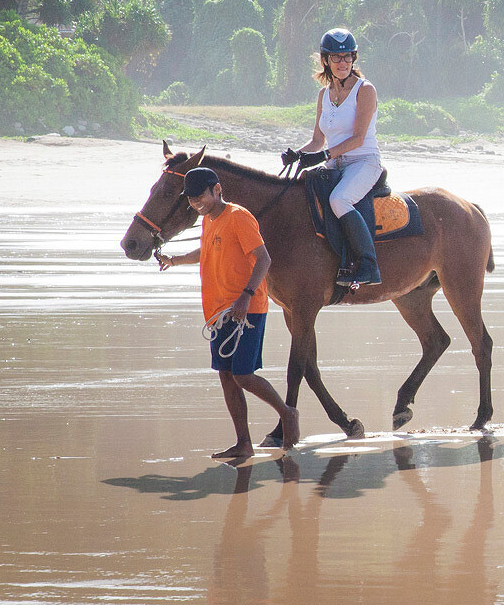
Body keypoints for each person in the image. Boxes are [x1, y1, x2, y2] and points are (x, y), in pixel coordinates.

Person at [159, 166, 299, 458]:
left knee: (243, 375)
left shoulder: (238, 217)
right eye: (192, 200)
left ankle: (287, 413)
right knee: (226, 375)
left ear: (217, 190)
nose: (197, 204)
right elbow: (206, 252)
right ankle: (243, 443)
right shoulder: (209, 220)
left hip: (246, 309)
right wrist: (175, 260)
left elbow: (264, 259)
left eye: (201, 197)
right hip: (218, 309)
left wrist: (245, 298)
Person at [282, 28, 382, 289]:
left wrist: (322, 155)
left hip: (363, 162)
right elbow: (317, 140)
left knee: (339, 199)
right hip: (333, 164)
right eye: (336, 58)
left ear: (353, 59)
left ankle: (368, 264)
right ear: (325, 60)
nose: (342, 63)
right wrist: (297, 154)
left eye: (347, 57)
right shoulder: (323, 95)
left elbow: (358, 138)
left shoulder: (365, 90)